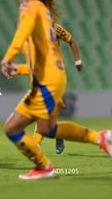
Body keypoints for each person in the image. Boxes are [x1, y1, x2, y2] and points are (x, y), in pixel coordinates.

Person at [0, 0, 112, 180]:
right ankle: (102, 138)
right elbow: (40, 56)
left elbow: (21, 33)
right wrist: (20, 69)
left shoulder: (31, 8)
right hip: (55, 77)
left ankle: (44, 167)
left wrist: (8, 58)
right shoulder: (45, 13)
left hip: (45, 83)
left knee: (12, 128)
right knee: (47, 129)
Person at [32, 23, 83, 154]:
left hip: (55, 74)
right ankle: (58, 134)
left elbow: (71, 40)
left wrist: (78, 61)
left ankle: (36, 143)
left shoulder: (56, 28)